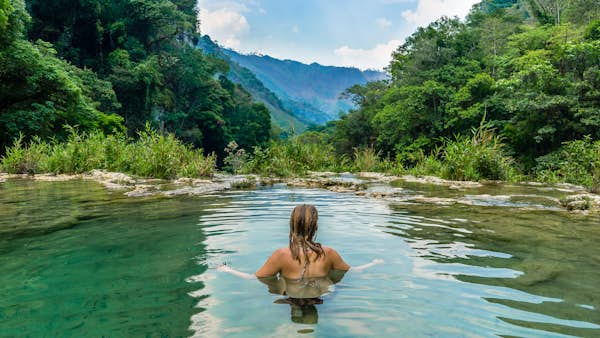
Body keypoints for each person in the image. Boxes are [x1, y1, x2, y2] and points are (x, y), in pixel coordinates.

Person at [218, 204, 383, 283]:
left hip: (291, 299)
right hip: (321, 300)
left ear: (291, 225)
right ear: (316, 226)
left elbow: (252, 278)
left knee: (275, 287)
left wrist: (227, 269)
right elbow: (353, 271)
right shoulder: (329, 253)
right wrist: (374, 263)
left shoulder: (281, 255)